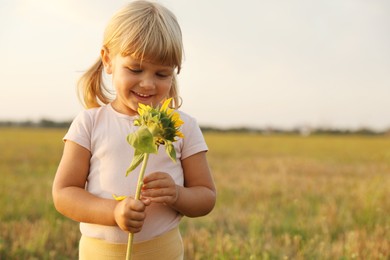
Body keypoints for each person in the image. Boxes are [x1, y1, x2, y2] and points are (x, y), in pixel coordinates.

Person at [52, 1, 216, 259]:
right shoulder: (89, 123)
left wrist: (177, 194)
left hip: (162, 251)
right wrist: (113, 212)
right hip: (100, 253)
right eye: (135, 69)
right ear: (108, 60)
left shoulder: (182, 127)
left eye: (162, 74)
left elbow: (206, 197)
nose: (148, 84)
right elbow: (64, 194)